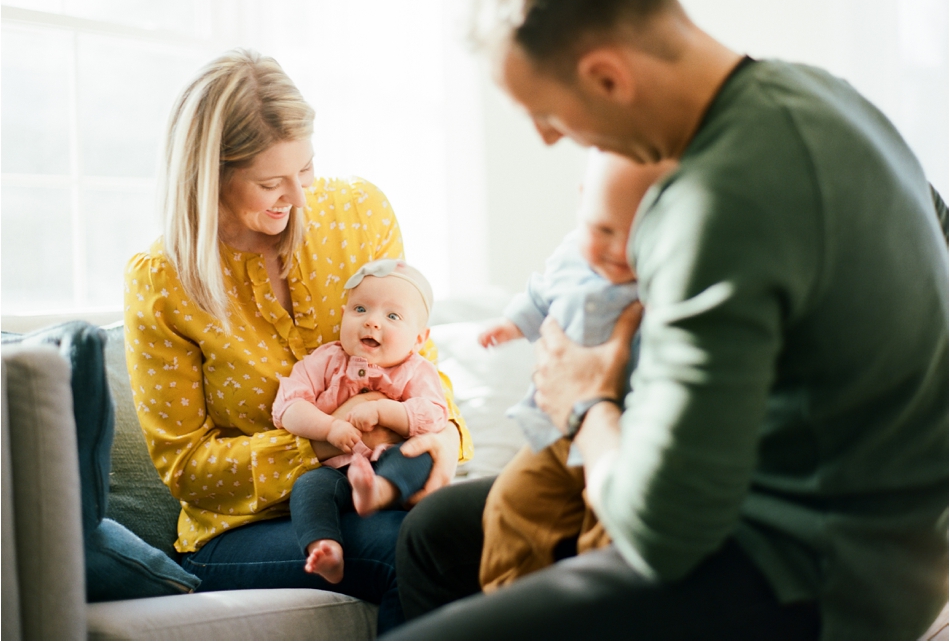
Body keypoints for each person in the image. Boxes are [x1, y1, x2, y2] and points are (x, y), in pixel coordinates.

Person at [388, 0, 948, 640]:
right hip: (897, 546)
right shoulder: (825, 96)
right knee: (441, 532)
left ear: (607, 78)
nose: (547, 140)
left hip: (809, 577)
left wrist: (585, 398)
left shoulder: (716, 199)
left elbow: (662, 530)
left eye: (547, 113)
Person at [123, 48, 472, 634]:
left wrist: (443, 436)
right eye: (271, 182)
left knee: (485, 521)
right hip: (236, 533)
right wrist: (328, 435)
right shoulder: (162, 281)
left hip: (375, 486)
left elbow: (418, 365)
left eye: (305, 169)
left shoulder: (359, 213)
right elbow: (188, 466)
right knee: (412, 545)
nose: (300, 195)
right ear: (209, 176)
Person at [476, 152, 672, 591]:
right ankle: (508, 608)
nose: (618, 250)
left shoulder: (665, 278)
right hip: (553, 426)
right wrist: (513, 324)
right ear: (583, 203)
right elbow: (542, 292)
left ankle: (591, 615)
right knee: (510, 504)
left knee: (604, 531)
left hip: (623, 429)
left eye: (638, 232)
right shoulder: (570, 255)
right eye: (602, 229)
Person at [271, 259, 448, 584]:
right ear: (343, 315)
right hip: (335, 470)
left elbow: (434, 415)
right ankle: (325, 547)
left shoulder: (416, 370)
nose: (372, 323)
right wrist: (330, 428)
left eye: (392, 316)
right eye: (361, 309)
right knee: (308, 487)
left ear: (419, 339)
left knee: (418, 454)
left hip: (391, 465)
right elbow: (288, 406)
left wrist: (384, 412)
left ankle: (378, 492)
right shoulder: (325, 360)